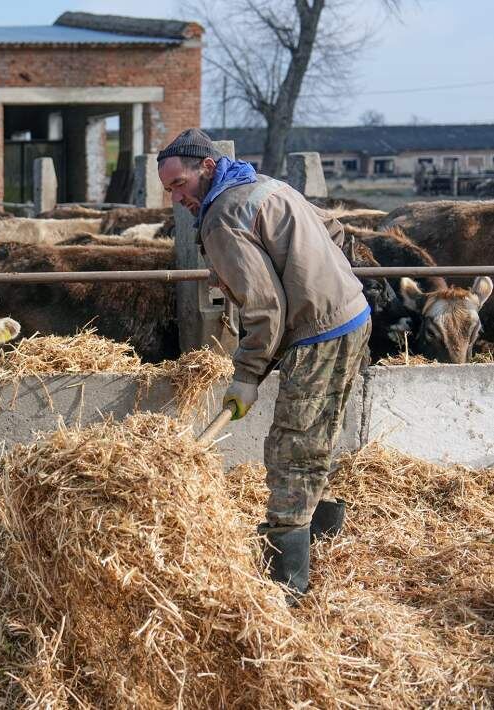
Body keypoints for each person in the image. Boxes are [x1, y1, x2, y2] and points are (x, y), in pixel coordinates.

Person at [157, 129, 370, 603]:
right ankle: (324, 540)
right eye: (169, 190)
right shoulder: (266, 186)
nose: (177, 197)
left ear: (207, 168)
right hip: (351, 316)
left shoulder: (221, 218)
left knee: (292, 448)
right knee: (319, 431)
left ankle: (286, 586)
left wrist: (247, 375)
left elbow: (265, 308)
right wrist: (323, 279)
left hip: (319, 332)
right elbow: (333, 230)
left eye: (179, 184)